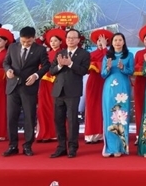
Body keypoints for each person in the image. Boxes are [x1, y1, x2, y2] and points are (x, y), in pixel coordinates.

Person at [2, 26, 49, 157]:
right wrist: (8, 70)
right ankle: (12, 145)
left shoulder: (40, 50)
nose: (25, 44)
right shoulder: (12, 47)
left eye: (28, 41)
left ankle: (27, 145)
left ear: (33, 38)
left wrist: (36, 76)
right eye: (23, 41)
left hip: (29, 87)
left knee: (29, 117)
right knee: (11, 117)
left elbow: (46, 66)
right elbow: (6, 62)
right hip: (12, 87)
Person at [49, 28, 90, 158]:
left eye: (73, 38)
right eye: (68, 38)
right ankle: (61, 147)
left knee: (72, 120)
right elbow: (52, 71)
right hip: (58, 91)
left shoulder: (84, 54)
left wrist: (71, 64)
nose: (70, 40)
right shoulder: (60, 53)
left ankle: (72, 148)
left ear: (78, 40)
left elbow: (83, 70)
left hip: (73, 92)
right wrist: (60, 66)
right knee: (58, 120)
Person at [100, 32, 134, 157]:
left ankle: (121, 147)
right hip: (109, 88)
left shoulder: (129, 55)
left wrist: (122, 68)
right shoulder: (107, 56)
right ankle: (110, 148)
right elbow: (103, 75)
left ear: (124, 42)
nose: (118, 42)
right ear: (112, 42)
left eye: (120, 40)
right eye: (115, 40)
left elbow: (131, 71)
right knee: (110, 116)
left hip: (123, 88)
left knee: (122, 117)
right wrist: (108, 68)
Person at [36, 28, 65, 143]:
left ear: (61, 42)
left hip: (56, 84)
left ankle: (56, 133)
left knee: (56, 108)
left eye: (55, 41)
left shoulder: (64, 53)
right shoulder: (46, 54)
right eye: (51, 41)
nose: (53, 43)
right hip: (44, 84)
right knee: (43, 108)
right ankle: (44, 133)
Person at [85, 29, 113, 144]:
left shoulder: (111, 54)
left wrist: (104, 48)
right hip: (93, 83)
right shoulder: (91, 54)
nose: (100, 42)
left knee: (106, 107)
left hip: (106, 82)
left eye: (104, 40)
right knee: (92, 106)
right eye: (98, 40)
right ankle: (91, 134)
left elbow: (109, 62)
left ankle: (104, 133)